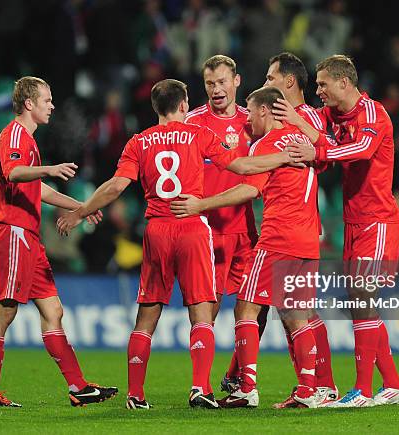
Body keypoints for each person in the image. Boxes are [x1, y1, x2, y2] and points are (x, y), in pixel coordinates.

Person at [56, 79, 295, 410]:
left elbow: (115, 186)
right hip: (192, 227)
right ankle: (201, 388)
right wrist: (283, 157)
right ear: (184, 105)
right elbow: (241, 166)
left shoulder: (139, 142)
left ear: (156, 108)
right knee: (200, 313)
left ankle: (135, 395)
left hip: (156, 229)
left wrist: (82, 211)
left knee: (146, 316)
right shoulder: (197, 133)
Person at [171, 86, 322, 409]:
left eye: (251, 112)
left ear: (265, 111)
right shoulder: (303, 140)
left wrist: (201, 205)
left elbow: (247, 191)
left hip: (278, 238)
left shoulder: (264, 146)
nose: (247, 119)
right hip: (309, 239)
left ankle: (246, 387)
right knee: (297, 314)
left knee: (246, 307)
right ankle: (309, 389)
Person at [0, 76, 117, 408]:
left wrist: (81, 208)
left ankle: (78, 387)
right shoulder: (14, 135)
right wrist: (48, 168)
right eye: (47, 99)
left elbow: (35, 188)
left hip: (29, 237)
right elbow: (14, 173)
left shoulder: (28, 140)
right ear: (29, 103)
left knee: (53, 310)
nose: (52, 105)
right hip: (12, 231)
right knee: (5, 311)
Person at [278, 55, 399, 407]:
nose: (318, 90)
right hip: (354, 221)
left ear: (344, 83)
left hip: (378, 221)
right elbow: (321, 138)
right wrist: (305, 133)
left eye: (322, 84)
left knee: (362, 298)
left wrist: (316, 149)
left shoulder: (373, 113)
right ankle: (392, 384)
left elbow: (362, 151)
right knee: (360, 303)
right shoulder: (336, 116)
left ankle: (363, 390)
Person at [184, 54, 267, 395]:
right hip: (208, 231)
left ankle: (237, 374)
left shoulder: (253, 121)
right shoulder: (192, 123)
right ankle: (200, 384)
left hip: (245, 229)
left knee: (257, 307)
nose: (216, 90)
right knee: (210, 307)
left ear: (236, 81)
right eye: (209, 84)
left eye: (221, 82)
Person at [263, 51, 337, 408]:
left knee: (296, 311)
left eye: (270, 78)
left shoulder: (305, 116)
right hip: (296, 227)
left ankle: (317, 386)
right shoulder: (287, 118)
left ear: (289, 81)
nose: (266, 85)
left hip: (293, 228)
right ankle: (317, 386)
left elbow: (322, 153)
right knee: (295, 310)